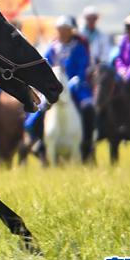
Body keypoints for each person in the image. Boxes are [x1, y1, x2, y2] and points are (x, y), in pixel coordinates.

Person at [25, 16, 96, 161]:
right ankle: (39, 140)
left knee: (88, 107)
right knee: (38, 111)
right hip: (54, 88)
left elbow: (83, 67)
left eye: (65, 30)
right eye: (60, 30)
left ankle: (88, 142)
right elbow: (45, 66)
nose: (62, 32)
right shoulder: (52, 48)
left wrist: (74, 81)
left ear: (71, 31)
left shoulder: (79, 47)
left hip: (75, 86)